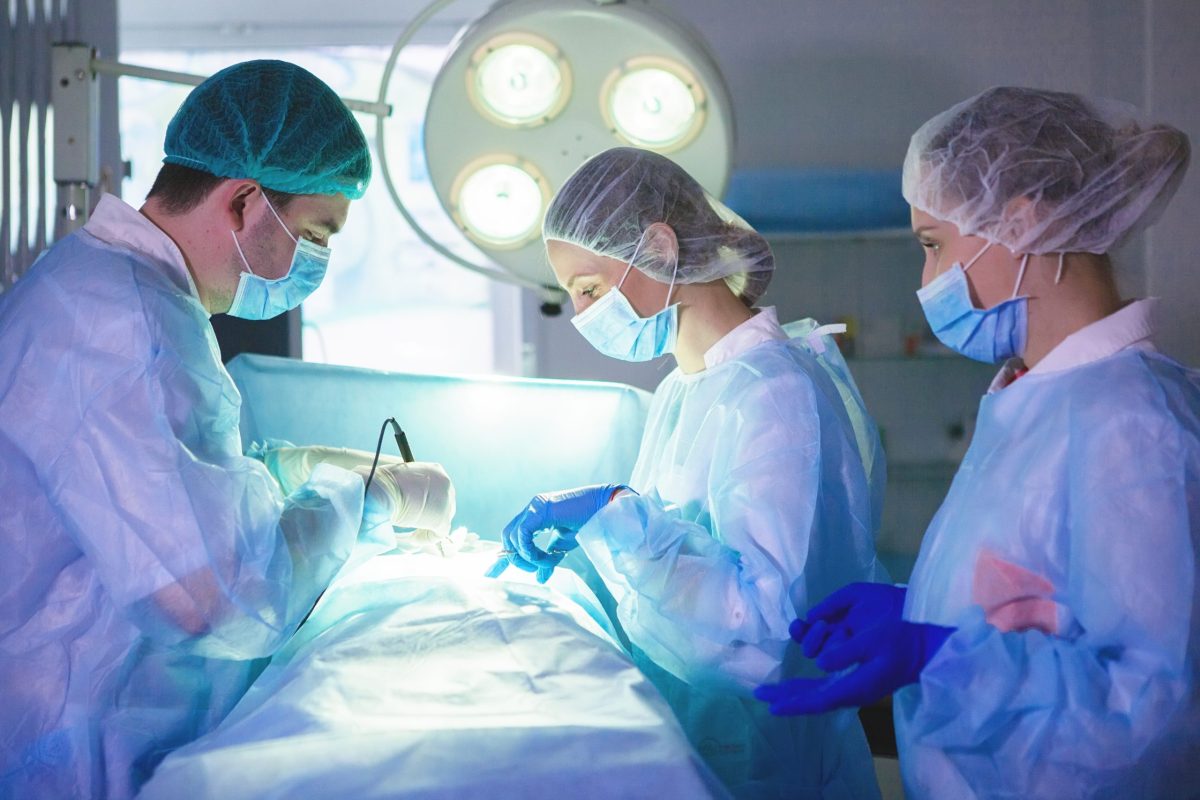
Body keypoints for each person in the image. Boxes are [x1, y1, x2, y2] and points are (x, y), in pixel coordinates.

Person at [0, 60, 454, 798]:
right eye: (317, 233)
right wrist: (364, 498)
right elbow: (211, 598)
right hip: (66, 739)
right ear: (244, 202)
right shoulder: (130, 326)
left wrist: (283, 469)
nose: (320, 261)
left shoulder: (109, 285)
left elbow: (154, 481)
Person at [755, 86, 1200, 799]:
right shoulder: (1037, 397)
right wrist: (922, 608)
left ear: (1022, 222)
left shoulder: (1134, 424)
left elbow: (1153, 713)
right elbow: (1047, 599)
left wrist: (941, 654)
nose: (928, 280)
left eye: (933, 246)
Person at [487, 146, 887, 799]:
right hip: (701, 741)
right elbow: (680, 558)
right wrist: (593, 551)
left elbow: (759, 628)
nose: (585, 314)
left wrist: (615, 515)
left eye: (588, 289)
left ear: (660, 249)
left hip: (771, 762)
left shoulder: (773, 391)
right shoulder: (687, 387)